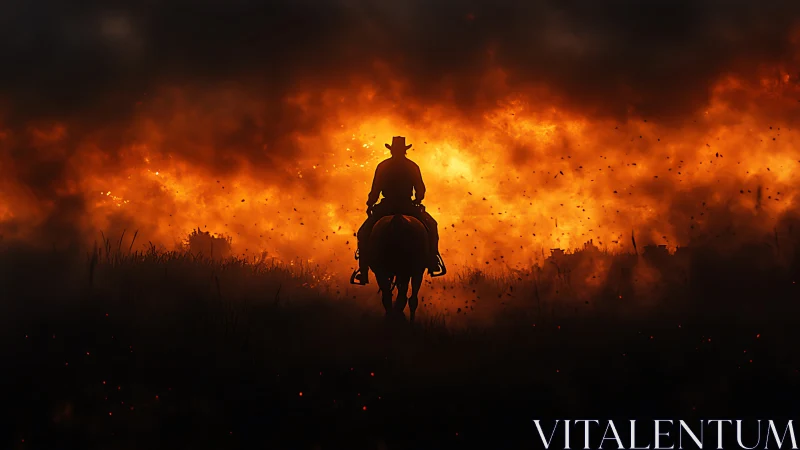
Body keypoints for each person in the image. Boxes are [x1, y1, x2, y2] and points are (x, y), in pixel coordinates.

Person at [353, 136, 441, 285]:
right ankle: (432, 261)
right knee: (432, 226)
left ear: (392, 150)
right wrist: (418, 200)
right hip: (408, 206)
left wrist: (370, 203)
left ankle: (363, 270)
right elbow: (420, 189)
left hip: (386, 207)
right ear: (405, 150)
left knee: (363, 233)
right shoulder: (412, 166)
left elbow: (375, 190)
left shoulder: (383, 166)